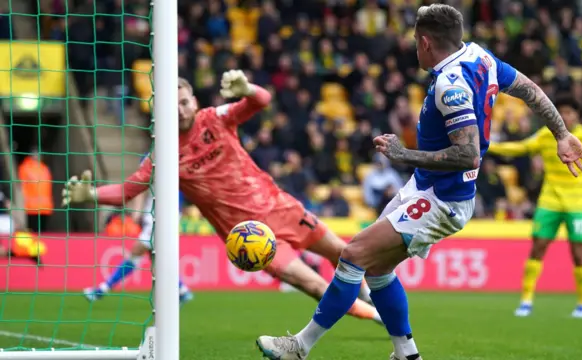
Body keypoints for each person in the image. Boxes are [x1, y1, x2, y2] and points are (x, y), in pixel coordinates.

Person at [255, 5, 582, 360]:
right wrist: (562, 133)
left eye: (416, 41)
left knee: (353, 255)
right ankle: (406, 354)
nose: (415, 48)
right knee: (377, 268)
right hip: (427, 187)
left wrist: (404, 154)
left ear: (426, 43)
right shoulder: (481, 57)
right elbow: (530, 90)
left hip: (442, 198)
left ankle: (300, 347)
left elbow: (469, 154)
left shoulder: (450, 85)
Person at [62, 70, 381, 324]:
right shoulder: (162, 154)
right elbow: (125, 192)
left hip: (280, 206)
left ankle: (372, 299)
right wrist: (90, 194)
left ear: (194, 100)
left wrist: (247, 88)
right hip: (249, 237)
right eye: (171, 106)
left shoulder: (215, 117)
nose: (180, 109)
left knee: (344, 254)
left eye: (184, 101)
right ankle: (378, 318)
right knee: (316, 287)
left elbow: (261, 101)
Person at [488, 95, 582, 318]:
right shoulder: (545, 136)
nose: (565, 116)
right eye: (560, 112)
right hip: (549, 201)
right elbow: (520, 147)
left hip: (578, 203)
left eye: (569, 112)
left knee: (578, 253)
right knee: (538, 247)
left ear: (577, 115)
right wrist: (489, 146)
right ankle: (526, 300)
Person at [83, 162, 194, 305]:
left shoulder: (164, 158)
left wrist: (137, 211)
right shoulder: (174, 158)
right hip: (159, 214)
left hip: (161, 217)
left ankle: (101, 290)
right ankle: (182, 290)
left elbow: (140, 187)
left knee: (138, 251)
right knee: (156, 260)